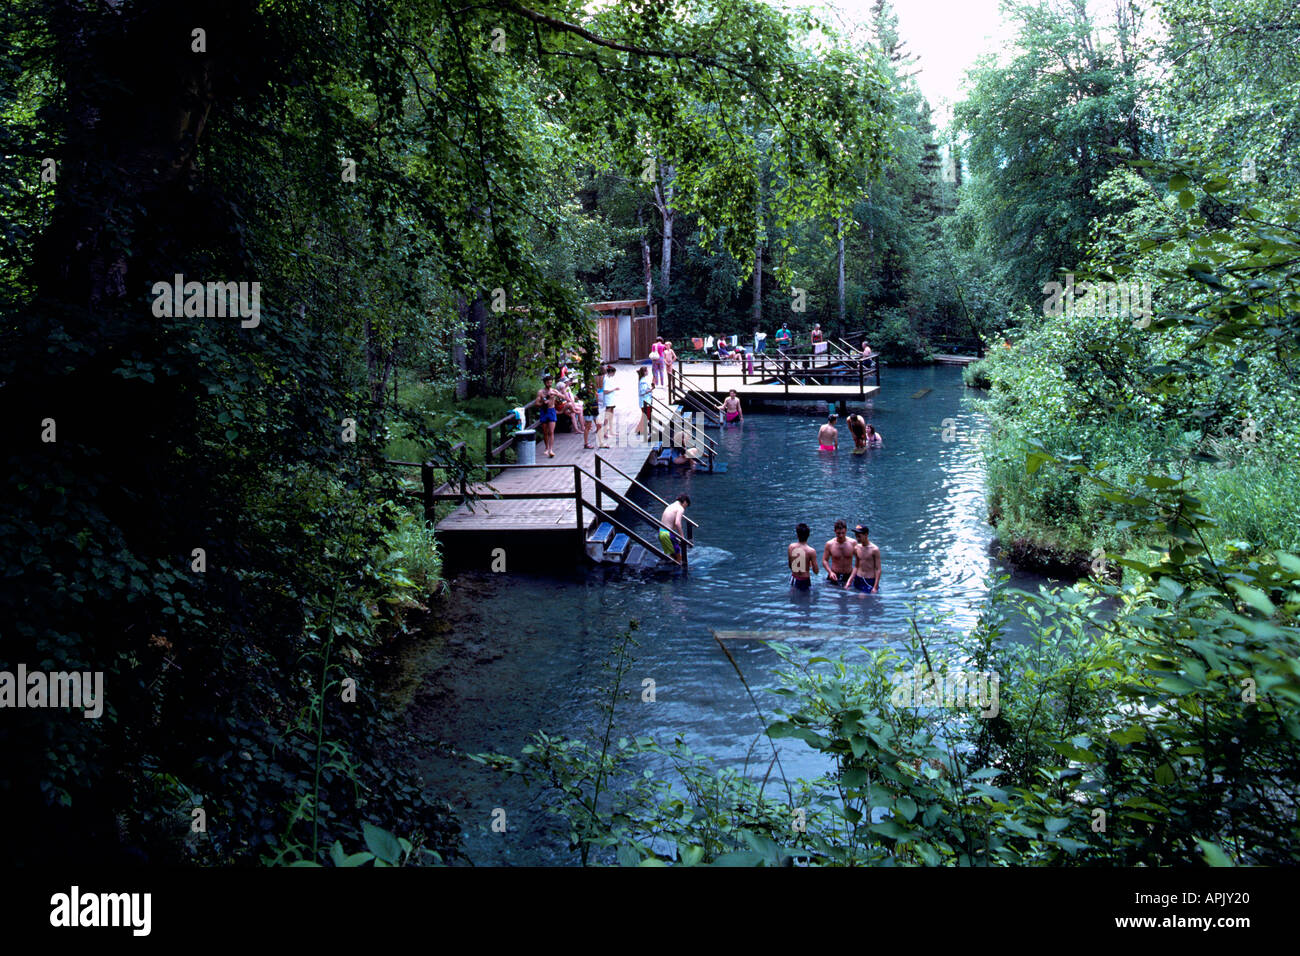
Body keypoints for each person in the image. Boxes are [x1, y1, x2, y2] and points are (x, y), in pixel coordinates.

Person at [555, 377, 591, 448]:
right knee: (574, 411)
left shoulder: (566, 390)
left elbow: (570, 399)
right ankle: (579, 428)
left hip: (566, 406)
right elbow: (567, 400)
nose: (568, 383)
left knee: (578, 409)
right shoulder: (560, 393)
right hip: (563, 407)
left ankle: (581, 427)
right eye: (566, 382)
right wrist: (565, 393)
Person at [846, 524, 881, 593]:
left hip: (869, 580)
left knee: (863, 599)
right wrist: (849, 581)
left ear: (866, 535)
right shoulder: (856, 548)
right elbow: (856, 566)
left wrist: (875, 586)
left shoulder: (874, 550)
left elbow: (878, 569)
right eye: (856, 536)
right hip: (858, 578)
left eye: (859, 536)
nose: (857, 538)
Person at [822, 520, 855, 587]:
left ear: (846, 531)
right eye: (838, 533)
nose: (841, 535)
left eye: (843, 533)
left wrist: (854, 574)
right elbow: (824, 560)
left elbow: (859, 560)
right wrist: (830, 572)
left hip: (849, 575)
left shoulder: (853, 543)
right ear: (835, 531)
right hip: (834, 574)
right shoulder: (829, 544)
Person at [533, 374, 560, 458]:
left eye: (551, 382)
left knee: (551, 432)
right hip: (544, 411)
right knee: (545, 432)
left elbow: (563, 396)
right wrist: (542, 403)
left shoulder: (553, 390)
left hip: (551, 411)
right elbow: (536, 403)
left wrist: (557, 395)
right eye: (548, 382)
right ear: (545, 383)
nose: (550, 384)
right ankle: (546, 447)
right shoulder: (541, 392)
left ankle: (551, 449)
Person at [659, 494, 691, 565]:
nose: (685, 508)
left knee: (673, 557)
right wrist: (682, 537)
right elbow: (677, 523)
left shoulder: (671, 506)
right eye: (686, 506)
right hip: (668, 534)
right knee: (678, 559)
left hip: (661, 533)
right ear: (685, 502)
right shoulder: (680, 508)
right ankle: (681, 573)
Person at [788, 523, 820, 591]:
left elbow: (790, 566)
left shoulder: (791, 547)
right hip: (804, 580)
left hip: (794, 578)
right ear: (808, 535)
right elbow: (816, 571)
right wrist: (809, 564)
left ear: (797, 535)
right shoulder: (811, 551)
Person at [599, 364, 619, 448]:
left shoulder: (610, 378)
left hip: (612, 399)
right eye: (613, 373)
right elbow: (605, 391)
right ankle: (605, 432)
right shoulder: (606, 379)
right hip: (608, 399)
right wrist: (614, 389)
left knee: (611, 415)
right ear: (611, 372)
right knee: (607, 416)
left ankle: (611, 430)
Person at [633, 366, 654, 438]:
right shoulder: (643, 381)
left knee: (646, 415)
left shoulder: (643, 380)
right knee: (646, 416)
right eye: (647, 371)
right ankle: (639, 429)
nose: (648, 372)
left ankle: (641, 429)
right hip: (645, 401)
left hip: (647, 401)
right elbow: (643, 392)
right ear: (644, 372)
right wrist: (651, 389)